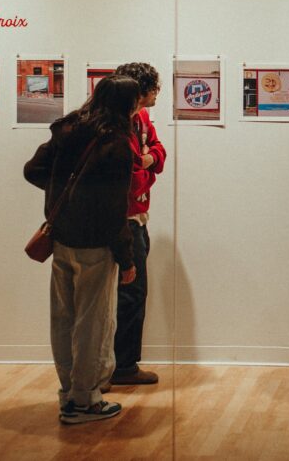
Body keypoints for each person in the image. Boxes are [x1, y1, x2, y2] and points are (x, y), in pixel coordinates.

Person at [23, 75, 140, 424]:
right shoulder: (118, 141)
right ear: (127, 104)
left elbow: (33, 170)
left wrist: (66, 195)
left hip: (62, 238)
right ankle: (85, 401)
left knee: (63, 319)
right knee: (93, 323)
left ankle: (67, 396)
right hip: (96, 244)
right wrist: (127, 257)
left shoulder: (69, 127)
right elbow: (116, 209)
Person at [109, 62, 167, 387]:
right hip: (124, 220)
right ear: (141, 91)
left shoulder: (142, 119)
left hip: (137, 218)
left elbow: (159, 151)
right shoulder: (118, 126)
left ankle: (123, 364)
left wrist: (149, 159)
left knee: (133, 292)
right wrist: (146, 169)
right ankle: (121, 366)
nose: (158, 93)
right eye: (154, 87)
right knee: (130, 292)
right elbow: (132, 182)